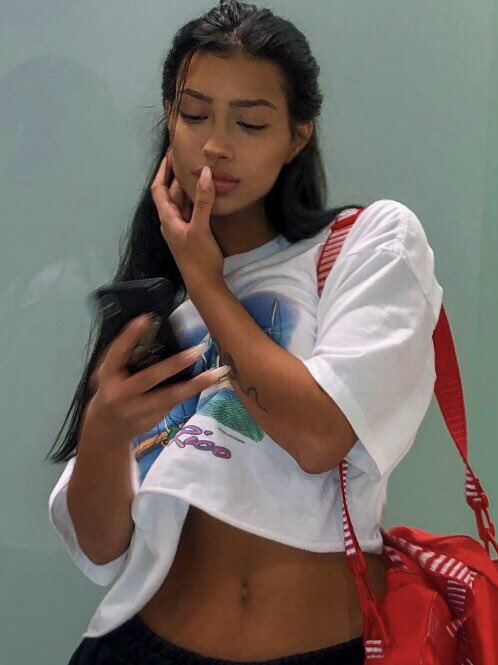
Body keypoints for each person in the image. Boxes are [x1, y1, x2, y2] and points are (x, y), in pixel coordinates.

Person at [46, 1, 443, 663]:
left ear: (297, 135)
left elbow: (318, 435)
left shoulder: (365, 244)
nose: (216, 144)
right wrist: (105, 428)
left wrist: (207, 280)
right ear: (169, 120)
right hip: (141, 645)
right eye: (194, 114)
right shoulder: (155, 301)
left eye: (250, 122)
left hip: (325, 644)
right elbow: (100, 546)